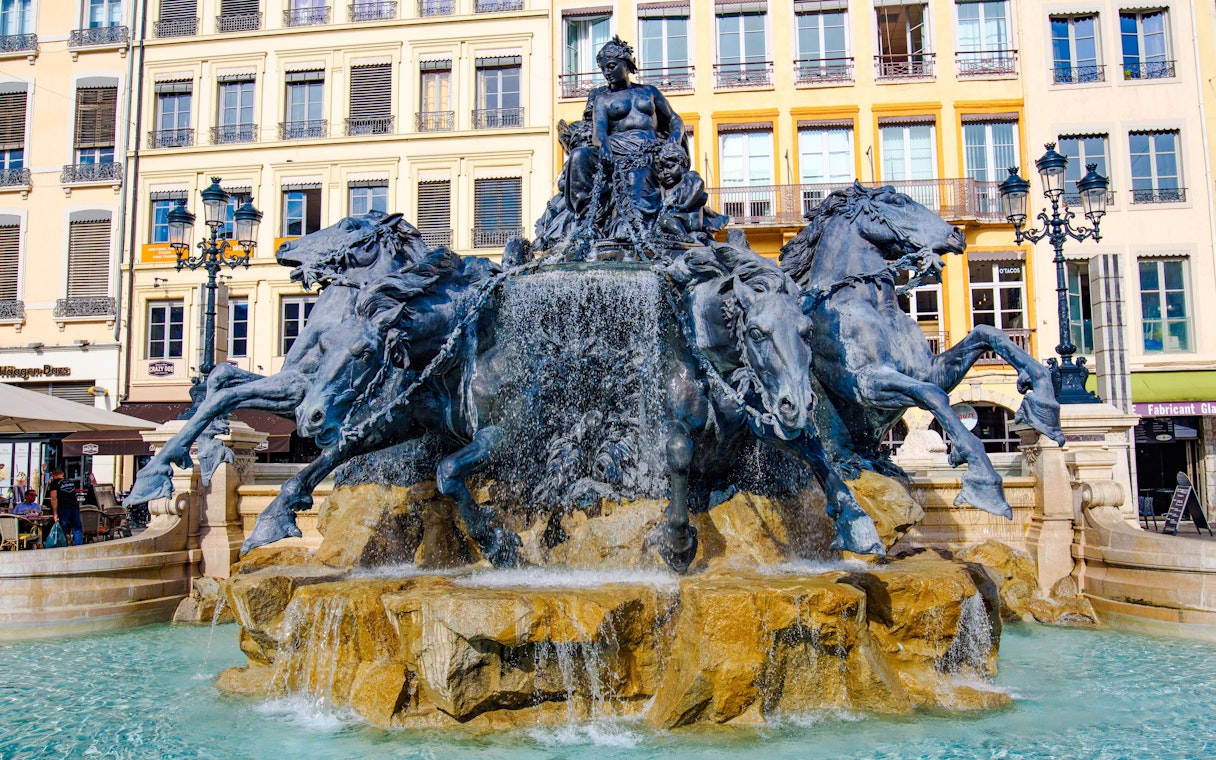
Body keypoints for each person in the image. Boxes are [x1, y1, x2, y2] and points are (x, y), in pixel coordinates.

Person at [564, 36, 686, 249]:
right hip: (615, 146)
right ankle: (586, 220)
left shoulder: (649, 92)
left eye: (611, 66)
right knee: (578, 156)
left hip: (646, 149)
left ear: (626, 64)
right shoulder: (602, 99)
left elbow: (675, 120)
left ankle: (628, 228)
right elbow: (599, 133)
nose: (607, 72)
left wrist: (673, 142)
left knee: (635, 177)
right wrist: (604, 148)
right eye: (603, 69)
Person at [654, 141, 729, 241]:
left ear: (682, 164)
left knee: (665, 219)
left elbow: (698, 185)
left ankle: (684, 237)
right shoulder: (665, 188)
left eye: (670, 167)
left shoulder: (689, 176)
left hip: (689, 220)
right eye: (662, 170)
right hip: (676, 219)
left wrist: (686, 205)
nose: (666, 172)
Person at [48, 468, 81, 546]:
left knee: (63, 528)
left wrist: (55, 513)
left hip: (63, 507)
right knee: (77, 528)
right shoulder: (71, 482)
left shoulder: (54, 483)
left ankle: (63, 546)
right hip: (74, 506)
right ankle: (79, 546)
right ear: (62, 474)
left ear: (53, 475)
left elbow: (54, 498)